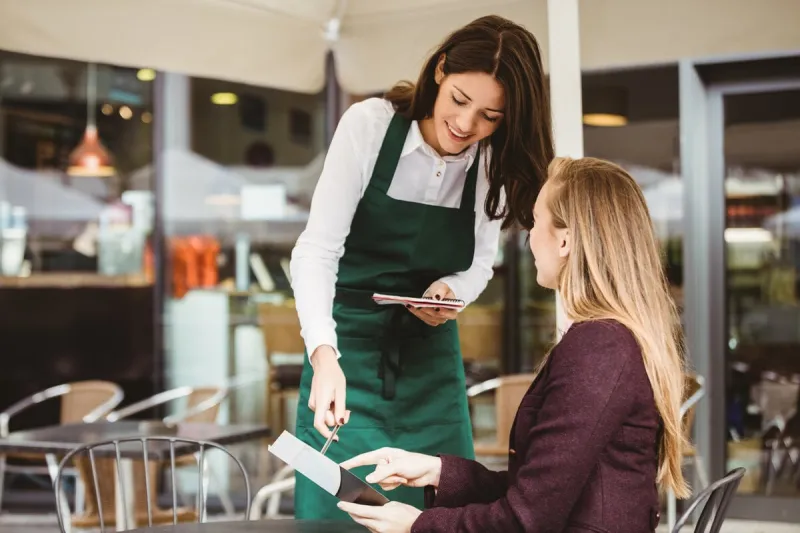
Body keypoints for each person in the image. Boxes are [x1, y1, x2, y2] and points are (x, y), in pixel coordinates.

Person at [288, 14, 553, 519]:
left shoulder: (492, 162)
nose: (467, 125)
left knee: (444, 512)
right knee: (337, 511)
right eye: (459, 100)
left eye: (490, 116)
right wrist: (323, 356)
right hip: (343, 356)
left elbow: (479, 264)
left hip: (430, 364)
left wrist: (449, 292)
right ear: (439, 72)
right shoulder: (369, 126)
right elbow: (317, 251)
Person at [338, 157, 692, 533]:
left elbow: (526, 519)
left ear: (565, 240)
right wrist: (437, 471)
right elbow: (538, 491)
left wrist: (417, 525)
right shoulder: (610, 340)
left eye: (536, 221)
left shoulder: (599, 347)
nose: (529, 235)